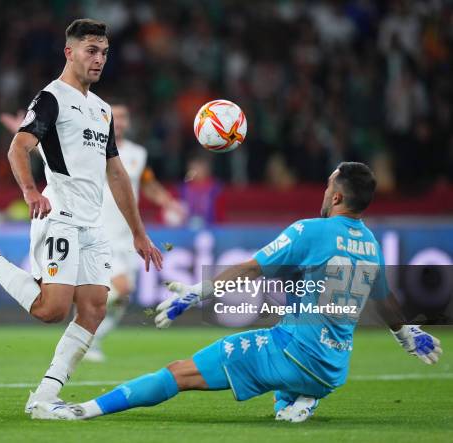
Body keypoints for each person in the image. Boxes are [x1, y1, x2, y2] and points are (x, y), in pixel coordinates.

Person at [35, 162, 443, 422]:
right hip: (332, 370)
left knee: (179, 372)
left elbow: (251, 267)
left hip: (290, 354)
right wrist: (407, 334)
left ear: (336, 197)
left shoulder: (311, 230)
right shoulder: (370, 244)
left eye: (326, 187)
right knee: (296, 293)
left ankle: (82, 411)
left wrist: (197, 291)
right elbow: (384, 299)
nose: (322, 193)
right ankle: (299, 399)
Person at [0, 19, 163, 414]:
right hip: (60, 217)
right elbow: (18, 148)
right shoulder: (52, 98)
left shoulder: (102, 110)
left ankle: (44, 398)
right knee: (51, 310)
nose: (99, 59)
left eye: (104, 52)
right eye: (91, 50)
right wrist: (30, 192)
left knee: (93, 309)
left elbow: (116, 172)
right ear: (69, 52)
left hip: (93, 225)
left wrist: (138, 233)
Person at [0, 102, 185, 362]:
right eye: (115, 117)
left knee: (122, 297)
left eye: (123, 118)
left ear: (127, 123)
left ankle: (90, 340)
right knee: (121, 287)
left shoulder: (137, 154)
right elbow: (57, 158)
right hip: (96, 228)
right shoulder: (90, 145)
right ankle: (80, 316)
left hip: (124, 235)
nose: (118, 122)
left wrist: (168, 202)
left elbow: (148, 184)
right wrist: (22, 133)